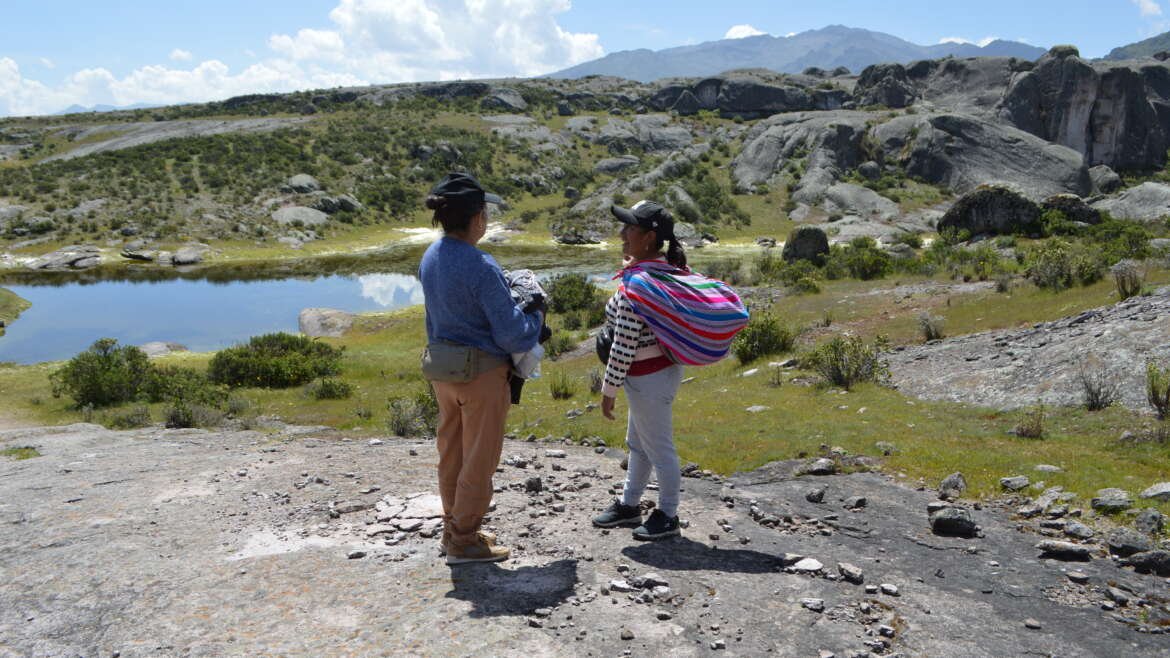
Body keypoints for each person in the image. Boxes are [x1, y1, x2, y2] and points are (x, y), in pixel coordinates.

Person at [419, 172, 544, 564]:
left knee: (451, 453)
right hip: (482, 376)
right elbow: (513, 336)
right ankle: (464, 540)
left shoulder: (430, 256)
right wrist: (536, 316)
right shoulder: (481, 264)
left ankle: (452, 528)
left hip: (442, 372)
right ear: (476, 219)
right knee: (479, 459)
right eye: (485, 213)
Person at [592, 200, 688, 541]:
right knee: (639, 443)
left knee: (659, 447)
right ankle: (630, 505)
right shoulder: (662, 271)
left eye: (629, 228)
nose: (622, 234)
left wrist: (608, 391)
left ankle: (668, 514)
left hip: (647, 377)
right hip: (657, 375)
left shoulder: (639, 285)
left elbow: (624, 344)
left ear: (648, 237)